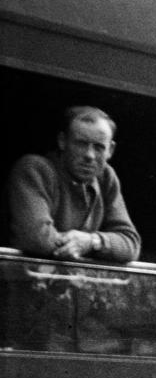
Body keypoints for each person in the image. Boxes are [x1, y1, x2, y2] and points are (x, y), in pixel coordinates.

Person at [8, 105, 141, 263]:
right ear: (62, 141)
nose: (89, 155)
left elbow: (130, 244)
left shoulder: (106, 177)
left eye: (99, 147)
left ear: (110, 150)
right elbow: (37, 239)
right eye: (81, 144)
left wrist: (92, 242)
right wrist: (91, 245)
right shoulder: (34, 170)